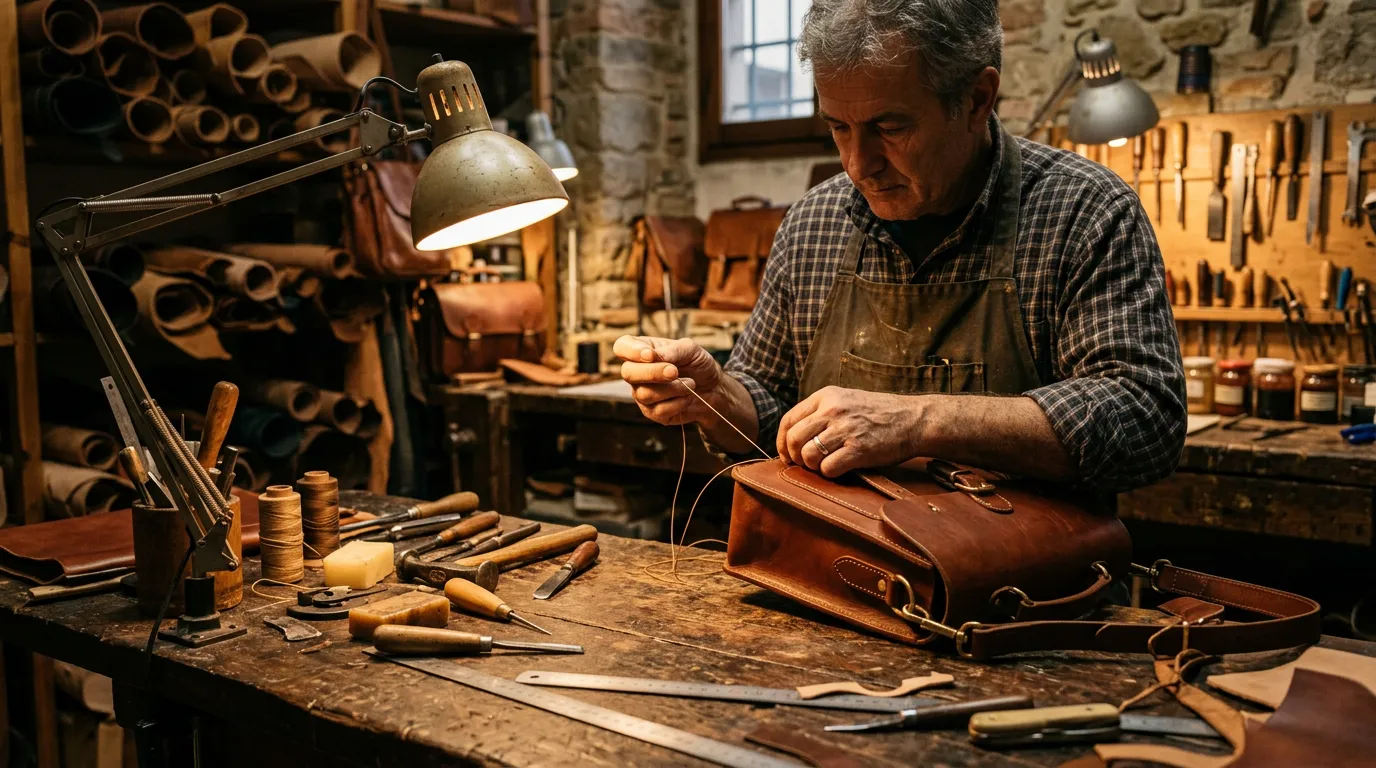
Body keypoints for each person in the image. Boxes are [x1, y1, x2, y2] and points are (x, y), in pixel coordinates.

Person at [616, 0, 1186, 492]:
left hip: (1020, 580)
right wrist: (716, 395)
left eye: (890, 128)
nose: (857, 165)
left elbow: (1145, 418)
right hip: (837, 565)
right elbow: (769, 411)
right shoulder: (813, 223)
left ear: (977, 99)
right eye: (839, 127)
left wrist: (920, 422)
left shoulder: (1083, 211)